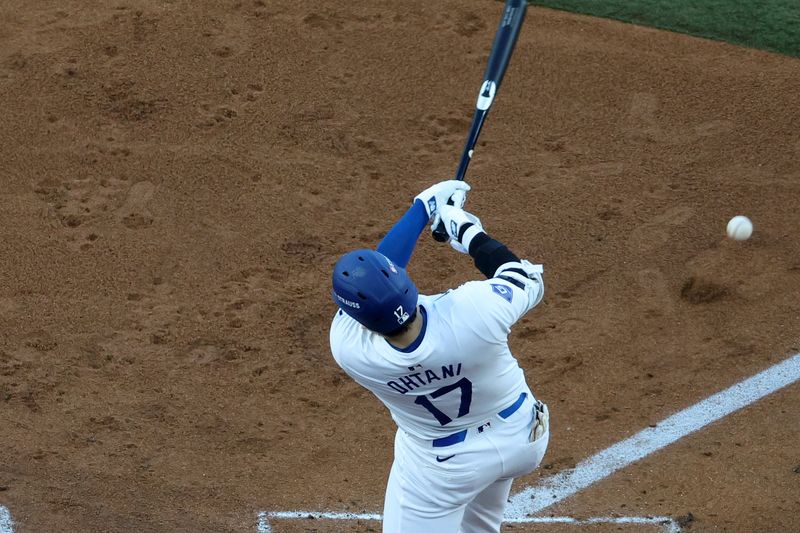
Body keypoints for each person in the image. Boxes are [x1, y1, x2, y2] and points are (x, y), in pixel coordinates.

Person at [329, 180, 550, 533]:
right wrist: (464, 230)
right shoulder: (473, 310)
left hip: (444, 471)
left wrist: (422, 209)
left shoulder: (351, 351)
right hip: (521, 438)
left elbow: (374, 281)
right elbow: (525, 278)